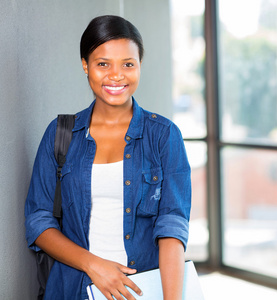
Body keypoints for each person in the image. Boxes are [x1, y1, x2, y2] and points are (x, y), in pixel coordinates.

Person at [25, 15, 191, 300]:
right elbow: (38, 221)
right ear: (85, 66)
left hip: (144, 289)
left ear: (139, 66)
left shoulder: (164, 135)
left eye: (128, 64)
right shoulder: (60, 133)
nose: (117, 75)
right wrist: (94, 265)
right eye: (103, 64)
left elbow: (172, 226)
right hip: (74, 289)